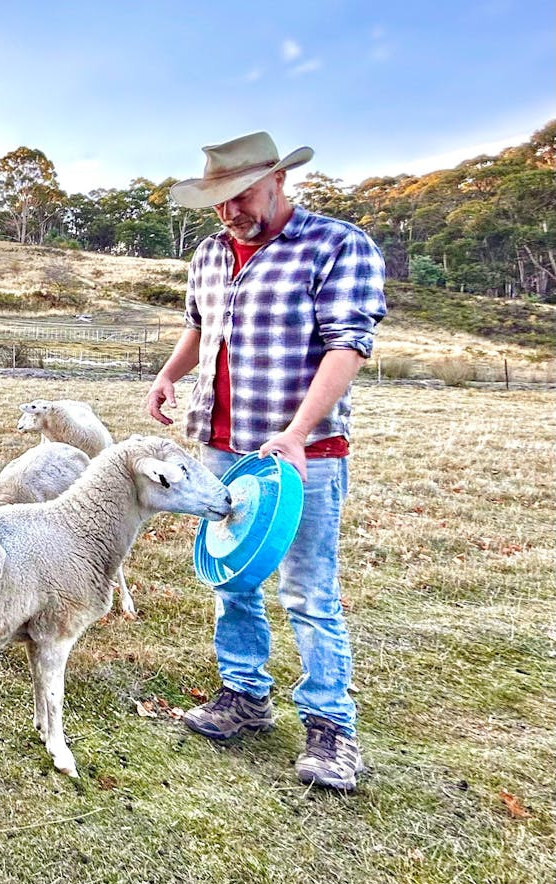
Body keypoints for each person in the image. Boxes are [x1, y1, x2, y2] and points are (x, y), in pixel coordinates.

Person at [144, 132, 386, 791]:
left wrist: (299, 433)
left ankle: (331, 727)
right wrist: (168, 376)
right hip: (222, 445)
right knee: (232, 578)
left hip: (301, 456)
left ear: (279, 180)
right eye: (217, 202)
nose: (229, 212)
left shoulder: (336, 245)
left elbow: (347, 347)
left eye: (240, 196)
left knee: (308, 590)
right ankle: (245, 695)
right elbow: (200, 325)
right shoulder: (211, 253)